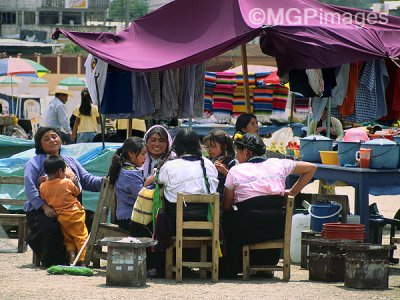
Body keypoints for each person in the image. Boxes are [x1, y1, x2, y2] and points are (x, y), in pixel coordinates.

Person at [221, 133, 316, 278]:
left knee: (225, 218)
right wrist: (292, 192)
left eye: (238, 152)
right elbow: (311, 168)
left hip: (248, 229)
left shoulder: (235, 170)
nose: (237, 157)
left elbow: (226, 206)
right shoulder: (278, 163)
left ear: (246, 152)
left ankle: (231, 266)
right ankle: (264, 264)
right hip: (277, 227)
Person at [24, 126, 103, 267]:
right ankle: (56, 260)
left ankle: (82, 258)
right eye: (46, 139)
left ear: (60, 138)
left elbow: (88, 180)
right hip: (44, 210)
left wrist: (107, 180)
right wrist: (45, 207)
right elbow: (30, 189)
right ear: (40, 144)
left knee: (92, 220)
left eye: (54, 136)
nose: (52, 140)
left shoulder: (70, 161)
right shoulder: (34, 163)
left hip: (71, 209)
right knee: (48, 227)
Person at [158, 129, 219, 233]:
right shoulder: (209, 164)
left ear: (176, 146)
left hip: (174, 226)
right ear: (197, 145)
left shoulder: (169, 167)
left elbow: (159, 182)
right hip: (206, 223)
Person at [39, 155, 88, 265]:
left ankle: (71, 256)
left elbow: (43, 197)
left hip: (61, 217)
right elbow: (77, 192)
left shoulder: (43, 186)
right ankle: (83, 259)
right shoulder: (66, 182)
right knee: (81, 236)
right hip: (75, 214)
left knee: (68, 239)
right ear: (60, 171)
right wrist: (74, 181)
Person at [107, 137, 152, 231]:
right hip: (130, 218)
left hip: (127, 217)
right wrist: (152, 180)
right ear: (131, 154)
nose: (145, 158)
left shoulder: (125, 169)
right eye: (143, 154)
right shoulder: (130, 173)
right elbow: (141, 196)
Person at [203, 129, 236, 199]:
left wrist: (225, 172)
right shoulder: (205, 161)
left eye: (213, 146)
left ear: (224, 146)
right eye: (207, 146)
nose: (209, 150)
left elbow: (237, 182)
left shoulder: (231, 162)